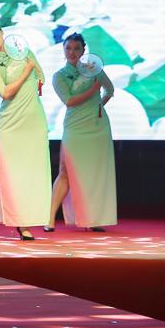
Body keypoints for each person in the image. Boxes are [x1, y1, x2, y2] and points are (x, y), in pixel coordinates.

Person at [0, 15, 50, 241]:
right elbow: (5, 92)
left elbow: (41, 77)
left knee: (25, 173)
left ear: (1, 31)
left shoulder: (24, 50)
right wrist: (26, 71)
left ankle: (21, 223)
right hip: (10, 122)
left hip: (33, 121)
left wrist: (35, 80)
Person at [46, 32, 117, 232]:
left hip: (97, 127)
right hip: (75, 127)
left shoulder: (94, 69)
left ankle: (93, 219)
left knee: (96, 173)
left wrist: (98, 107)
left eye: (76, 48)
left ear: (84, 50)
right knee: (65, 171)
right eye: (68, 48)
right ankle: (49, 218)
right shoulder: (59, 76)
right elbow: (69, 101)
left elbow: (110, 90)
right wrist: (93, 91)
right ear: (63, 50)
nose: (72, 52)